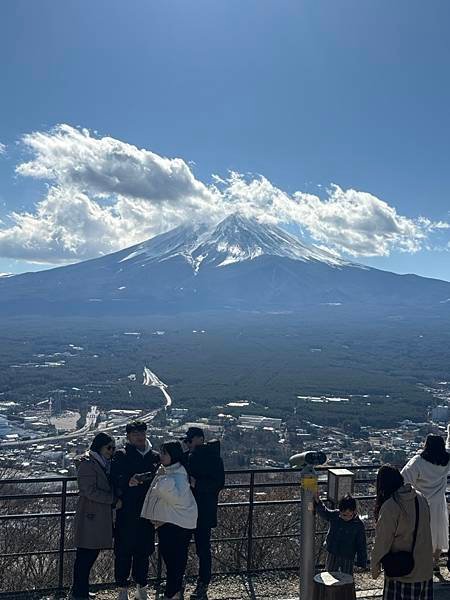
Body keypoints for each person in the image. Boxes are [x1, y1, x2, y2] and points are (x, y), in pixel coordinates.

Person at [141, 441, 198, 600]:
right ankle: (174, 592)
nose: (161, 456)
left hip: (175, 524)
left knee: (174, 561)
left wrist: (161, 483)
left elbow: (175, 499)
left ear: (173, 455)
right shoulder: (171, 470)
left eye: (164, 453)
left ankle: (172, 593)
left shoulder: (176, 474)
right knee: (174, 560)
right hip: (174, 523)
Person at [111, 420, 160, 600]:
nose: (140, 437)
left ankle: (141, 587)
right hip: (127, 510)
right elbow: (114, 478)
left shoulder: (155, 456)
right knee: (123, 551)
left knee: (144, 551)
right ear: (129, 437)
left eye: (142, 433)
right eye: (135, 435)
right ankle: (122, 589)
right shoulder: (121, 455)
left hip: (148, 510)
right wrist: (127, 482)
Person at [371, 465, 433, 600]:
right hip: (425, 569)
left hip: (403, 573)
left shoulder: (391, 506)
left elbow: (382, 541)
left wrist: (374, 568)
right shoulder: (420, 498)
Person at [182, 427, 225, 600]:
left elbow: (217, 483)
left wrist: (196, 483)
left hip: (194, 511)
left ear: (198, 439)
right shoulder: (213, 458)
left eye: (189, 440)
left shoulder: (210, 458)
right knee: (200, 549)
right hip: (199, 511)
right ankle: (199, 583)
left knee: (199, 549)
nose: (187, 444)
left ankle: (199, 583)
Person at [72, 432, 116, 600]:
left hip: (96, 516)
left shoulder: (101, 462)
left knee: (88, 556)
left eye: (113, 448)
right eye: (109, 447)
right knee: (85, 556)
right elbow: (88, 490)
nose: (112, 451)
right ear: (99, 447)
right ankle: (79, 592)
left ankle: (80, 590)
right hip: (90, 515)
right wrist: (111, 500)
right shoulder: (88, 464)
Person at [401, 433, 450, 573]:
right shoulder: (446, 461)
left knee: (422, 533)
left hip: (420, 502)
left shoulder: (418, 461)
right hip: (439, 503)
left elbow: (403, 479)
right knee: (439, 532)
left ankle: (422, 562)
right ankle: (435, 562)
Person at [314, 493, 367, 574]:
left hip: (348, 555)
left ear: (355, 512)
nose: (346, 518)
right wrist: (318, 502)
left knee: (346, 576)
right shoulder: (335, 515)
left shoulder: (358, 525)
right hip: (333, 551)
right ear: (339, 511)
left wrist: (361, 563)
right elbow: (325, 513)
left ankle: (347, 587)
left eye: (350, 515)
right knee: (330, 575)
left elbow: (361, 545)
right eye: (344, 515)